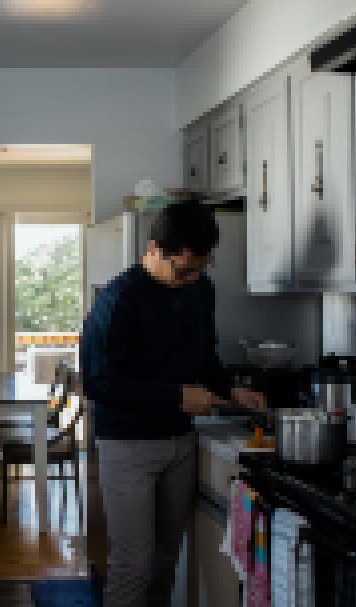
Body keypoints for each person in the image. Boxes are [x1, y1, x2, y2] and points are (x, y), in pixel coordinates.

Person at [79, 200, 266, 607]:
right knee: (133, 565)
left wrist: (230, 389)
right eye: (184, 269)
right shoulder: (118, 300)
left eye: (201, 268)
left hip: (180, 444)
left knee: (166, 562)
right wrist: (176, 395)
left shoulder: (200, 288)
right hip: (127, 446)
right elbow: (97, 383)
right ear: (153, 248)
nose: (192, 278)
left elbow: (204, 355)